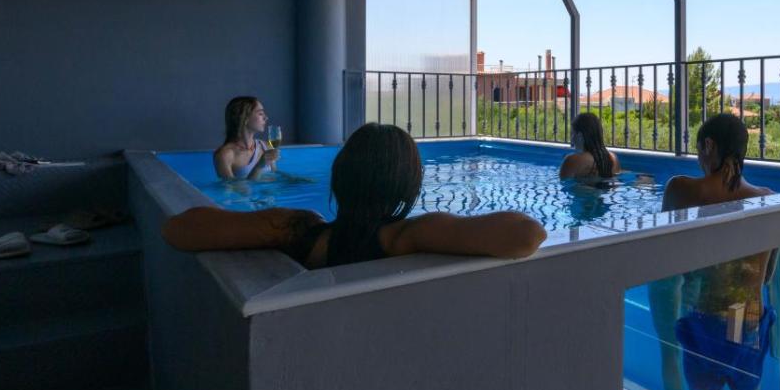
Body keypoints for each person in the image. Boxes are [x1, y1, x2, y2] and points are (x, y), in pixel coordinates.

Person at [165, 123, 547, 267]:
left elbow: (179, 229)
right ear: (407, 185)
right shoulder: (403, 236)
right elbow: (527, 234)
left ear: (341, 175)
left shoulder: (296, 227)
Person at [647, 113, 777, 390]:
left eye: (699, 150)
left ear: (709, 147)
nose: (698, 159)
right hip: (750, 332)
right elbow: (766, 276)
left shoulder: (681, 190)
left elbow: (666, 257)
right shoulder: (766, 198)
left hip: (704, 333)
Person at [213, 96, 279, 180]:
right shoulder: (225, 155)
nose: (266, 117)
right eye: (260, 113)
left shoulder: (266, 146)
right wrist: (259, 166)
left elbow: (276, 178)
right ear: (244, 118)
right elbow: (234, 187)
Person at [559, 113, 619, 181]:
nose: (571, 139)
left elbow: (564, 183)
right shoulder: (613, 159)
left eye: (572, 134)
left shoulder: (572, 160)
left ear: (580, 136)